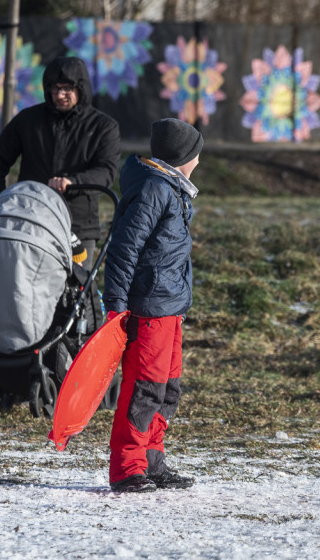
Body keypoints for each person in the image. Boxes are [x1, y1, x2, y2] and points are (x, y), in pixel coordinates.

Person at [101, 118, 203, 494]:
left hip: (170, 309)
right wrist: (116, 304)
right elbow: (124, 249)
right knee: (143, 389)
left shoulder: (172, 189)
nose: (198, 162)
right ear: (183, 158)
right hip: (149, 310)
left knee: (166, 388)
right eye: (196, 155)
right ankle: (127, 468)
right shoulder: (154, 190)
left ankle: (151, 461)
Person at [0, 55, 120, 269]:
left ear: (81, 88)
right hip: (30, 223)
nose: (60, 95)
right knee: (30, 292)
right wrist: (1, 206)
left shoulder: (104, 127)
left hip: (80, 227)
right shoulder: (28, 121)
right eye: (54, 89)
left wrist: (73, 182)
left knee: (76, 294)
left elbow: (107, 172)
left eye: (67, 88)